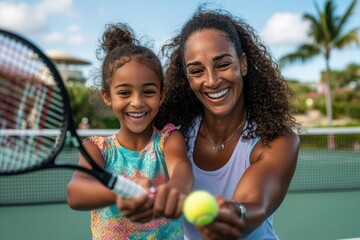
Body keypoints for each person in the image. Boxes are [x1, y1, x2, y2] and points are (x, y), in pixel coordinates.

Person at [155, 8, 301, 240]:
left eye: (222, 65)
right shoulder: (173, 137)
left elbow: (255, 204)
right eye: (196, 70)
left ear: (243, 64)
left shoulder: (279, 139)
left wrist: (233, 213)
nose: (211, 81)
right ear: (187, 78)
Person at [66, 23, 193, 239]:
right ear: (107, 96)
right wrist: (120, 192)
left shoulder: (169, 140)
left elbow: (181, 170)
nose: (137, 102)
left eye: (148, 92)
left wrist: (176, 191)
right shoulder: (97, 148)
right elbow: (76, 193)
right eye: (124, 92)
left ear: (162, 94)